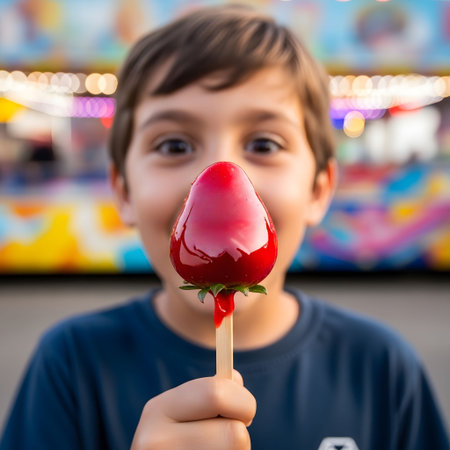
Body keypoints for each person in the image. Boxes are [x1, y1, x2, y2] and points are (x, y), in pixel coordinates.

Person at [1, 5, 449, 450]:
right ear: (123, 190)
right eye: (174, 144)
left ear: (318, 189)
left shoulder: (381, 370)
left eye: (264, 143)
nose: (222, 174)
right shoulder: (72, 365)